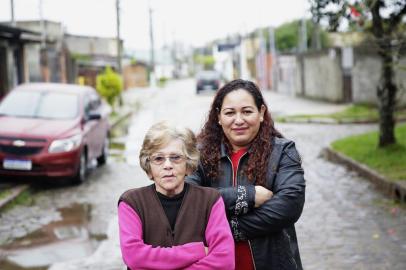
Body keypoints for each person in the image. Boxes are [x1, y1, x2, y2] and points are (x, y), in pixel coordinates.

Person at [187, 79, 306, 270]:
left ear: (261, 113)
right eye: (230, 112)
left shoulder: (282, 152)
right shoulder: (199, 155)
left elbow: (289, 205)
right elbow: (188, 201)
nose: (239, 120)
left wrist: (228, 228)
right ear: (218, 117)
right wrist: (248, 195)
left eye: (247, 111)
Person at [118, 121, 235, 270]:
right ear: (149, 167)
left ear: (188, 163)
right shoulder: (131, 202)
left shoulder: (210, 200)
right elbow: (134, 257)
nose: (168, 165)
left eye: (175, 157)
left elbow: (224, 261)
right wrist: (196, 251)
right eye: (158, 159)